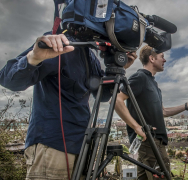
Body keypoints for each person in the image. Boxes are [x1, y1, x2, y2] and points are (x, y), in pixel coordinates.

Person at [0, 33, 137, 179]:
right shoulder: (60, 44)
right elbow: (8, 79)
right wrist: (35, 57)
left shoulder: (89, 56)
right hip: (54, 146)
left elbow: (102, 95)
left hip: (82, 146)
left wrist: (117, 68)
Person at [114, 45, 188, 179]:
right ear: (152, 58)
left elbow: (163, 112)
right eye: (162, 57)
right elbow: (117, 99)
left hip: (154, 141)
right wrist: (136, 127)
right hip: (149, 139)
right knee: (162, 176)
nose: (164, 60)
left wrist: (186, 106)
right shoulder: (140, 77)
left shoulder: (153, 84)